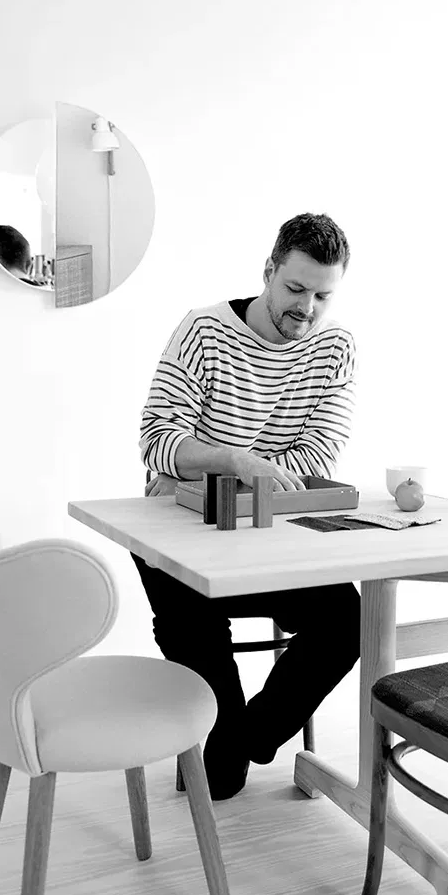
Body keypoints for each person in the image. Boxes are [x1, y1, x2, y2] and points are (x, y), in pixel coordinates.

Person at [134, 213, 361, 800]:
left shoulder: (335, 346)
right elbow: (158, 442)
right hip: (180, 524)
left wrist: (242, 478)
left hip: (270, 533)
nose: (306, 308)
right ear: (268, 271)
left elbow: (320, 453)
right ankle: (226, 747)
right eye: (295, 288)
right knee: (189, 624)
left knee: (348, 618)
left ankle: (246, 736)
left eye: (322, 296)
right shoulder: (204, 330)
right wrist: (238, 462)